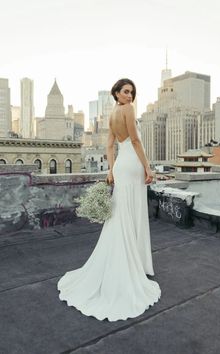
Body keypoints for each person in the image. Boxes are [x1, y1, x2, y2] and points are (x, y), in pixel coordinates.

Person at [57, 78, 161, 321]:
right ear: (116, 93)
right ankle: (135, 264)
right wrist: (148, 169)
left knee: (121, 213)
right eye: (126, 92)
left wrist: (111, 170)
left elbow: (110, 144)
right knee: (131, 211)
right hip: (133, 164)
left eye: (132, 92)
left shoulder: (113, 113)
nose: (130, 96)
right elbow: (135, 141)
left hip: (122, 166)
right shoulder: (127, 110)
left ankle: (129, 261)